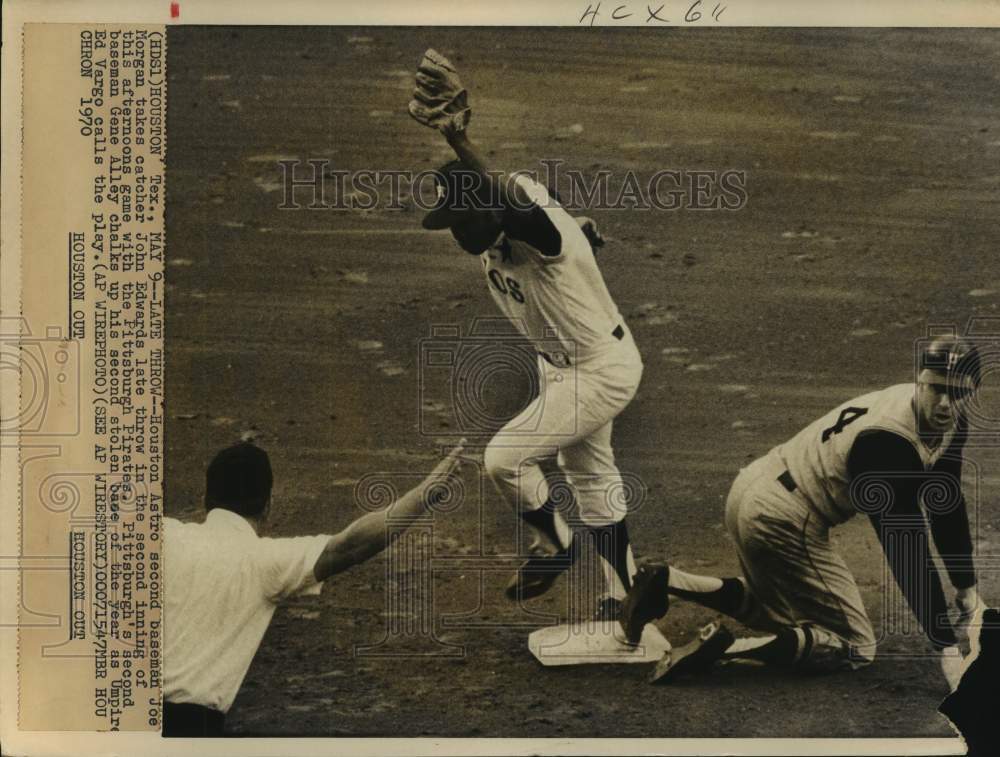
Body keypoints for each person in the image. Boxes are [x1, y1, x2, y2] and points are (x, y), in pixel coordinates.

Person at [411, 53, 643, 619]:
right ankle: (629, 593)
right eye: (451, 223)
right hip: (562, 367)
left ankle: (555, 546)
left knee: (505, 459)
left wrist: (462, 141)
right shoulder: (508, 232)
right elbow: (540, 211)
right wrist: (583, 228)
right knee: (589, 477)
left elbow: (522, 209)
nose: (457, 232)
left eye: (463, 219)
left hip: (601, 367)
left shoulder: (534, 233)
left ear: (489, 210)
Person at [622, 337, 982, 685]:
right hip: (783, 518)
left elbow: (944, 500)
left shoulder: (945, 420)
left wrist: (966, 588)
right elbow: (906, 548)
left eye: (958, 393)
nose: (946, 403)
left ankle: (669, 581)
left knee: (780, 610)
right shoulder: (888, 443)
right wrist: (946, 647)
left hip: (757, 490)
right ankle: (729, 648)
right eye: (936, 388)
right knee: (856, 646)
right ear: (920, 381)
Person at [163, 439, 464, 736]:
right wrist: (423, 494)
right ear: (268, 506)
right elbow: (350, 546)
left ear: (206, 497)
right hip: (190, 729)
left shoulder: (166, 535)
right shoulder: (265, 562)